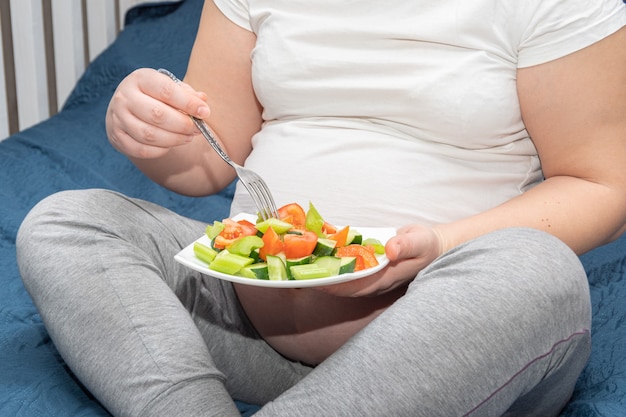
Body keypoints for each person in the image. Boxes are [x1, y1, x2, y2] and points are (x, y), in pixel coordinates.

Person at [16, 0, 626, 415]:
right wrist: (150, 130)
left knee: (537, 272)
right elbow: (209, 157)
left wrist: (439, 246)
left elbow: (601, 184)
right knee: (70, 222)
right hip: (245, 324)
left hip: (451, 342)